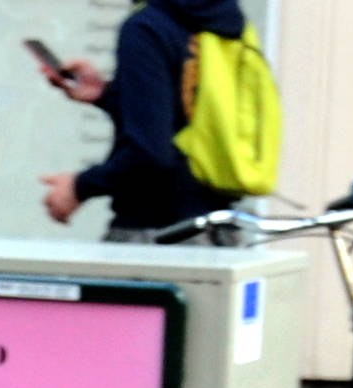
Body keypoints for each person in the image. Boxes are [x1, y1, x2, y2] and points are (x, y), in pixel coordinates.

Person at [38, 0, 246, 239]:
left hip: (156, 234)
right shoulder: (219, 19)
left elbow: (149, 153)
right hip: (217, 231)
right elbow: (190, 118)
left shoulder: (146, 26)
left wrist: (79, 186)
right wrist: (108, 95)